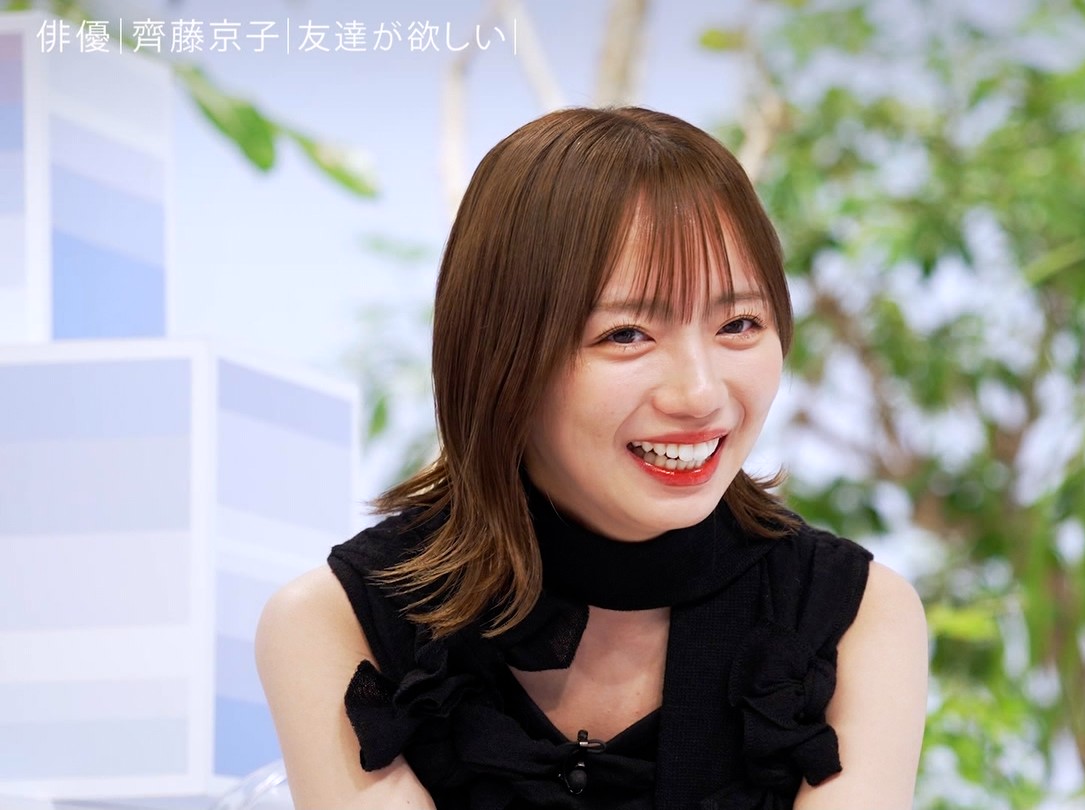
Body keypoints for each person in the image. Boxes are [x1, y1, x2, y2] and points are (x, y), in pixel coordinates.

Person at [255, 106, 929, 810]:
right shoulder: (333, 624)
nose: (700, 394)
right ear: (502, 355)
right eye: (627, 334)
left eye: (739, 324)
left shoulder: (857, 615)